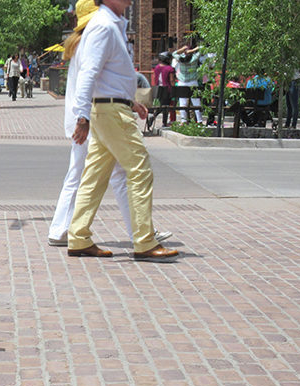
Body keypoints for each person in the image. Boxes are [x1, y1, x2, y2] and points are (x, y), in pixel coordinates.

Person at [48, 0, 171, 249]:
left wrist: (131, 103)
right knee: (137, 170)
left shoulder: (103, 28)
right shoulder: (103, 27)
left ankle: (77, 234)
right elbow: (90, 77)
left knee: (94, 175)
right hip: (104, 112)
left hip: (101, 111)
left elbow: (106, 79)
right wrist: (82, 118)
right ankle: (144, 239)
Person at [172, 43, 203, 123]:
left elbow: (174, 53)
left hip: (182, 82)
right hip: (193, 82)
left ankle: (183, 121)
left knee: (183, 103)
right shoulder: (194, 58)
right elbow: (202, 48)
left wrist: (182, 49)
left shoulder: (180, 59)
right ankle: (199, 120)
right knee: (196, 102)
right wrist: (192, 50)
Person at [152, 52, 175, 126]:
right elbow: (171, 80)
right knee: (165, 106)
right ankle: (162, 121)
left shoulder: (157, 67)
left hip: (158, 88)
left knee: (162, 105)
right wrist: (173, 89)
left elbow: (155, 78)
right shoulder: (169, 68)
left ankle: (155, 118)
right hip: (167, 89)